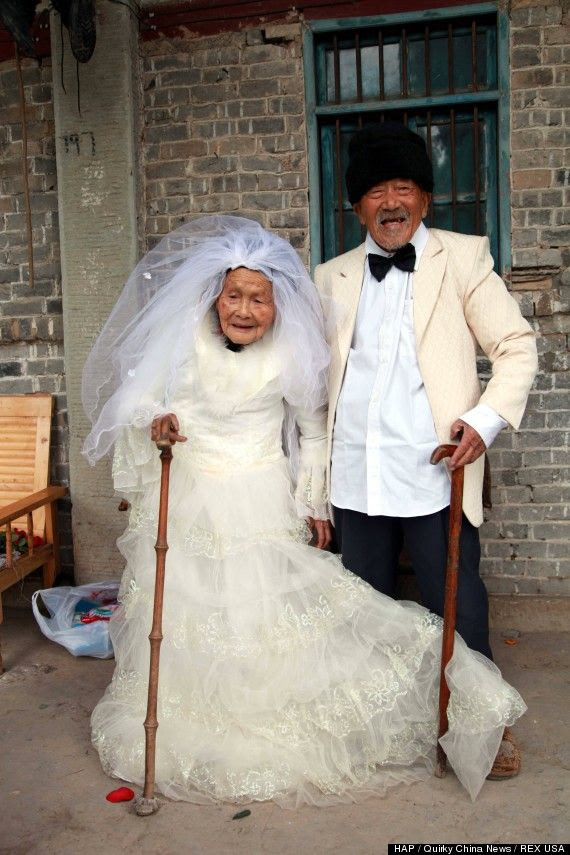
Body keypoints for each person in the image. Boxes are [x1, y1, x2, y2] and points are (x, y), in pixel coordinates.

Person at [83, 215, 525, 808]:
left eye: (258, 298)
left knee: (275, 611)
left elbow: (314, 430)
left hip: (268, 491)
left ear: (276, 304)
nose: (245, 309)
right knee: (191, 615)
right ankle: (212, 711)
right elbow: (139, 395)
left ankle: (472, 712)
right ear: (214, 298)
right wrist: (155, 421)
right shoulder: (184, 341)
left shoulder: (293, 348)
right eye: (234, 296)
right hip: (190, 496)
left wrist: (310, 499)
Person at [314, 123, 538, 781]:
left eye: (403, 187)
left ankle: (482, 726)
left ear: (425, 199)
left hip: (437, 467)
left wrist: (483, 421)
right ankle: (384, 722)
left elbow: (517, 346)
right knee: (366, 606)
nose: (390, 202)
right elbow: (308, 382)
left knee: (458, 600)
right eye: (376, 190)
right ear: (356, 206)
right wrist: (309, 487)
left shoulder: (462, 258)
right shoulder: (331, 276)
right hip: (358, 471)